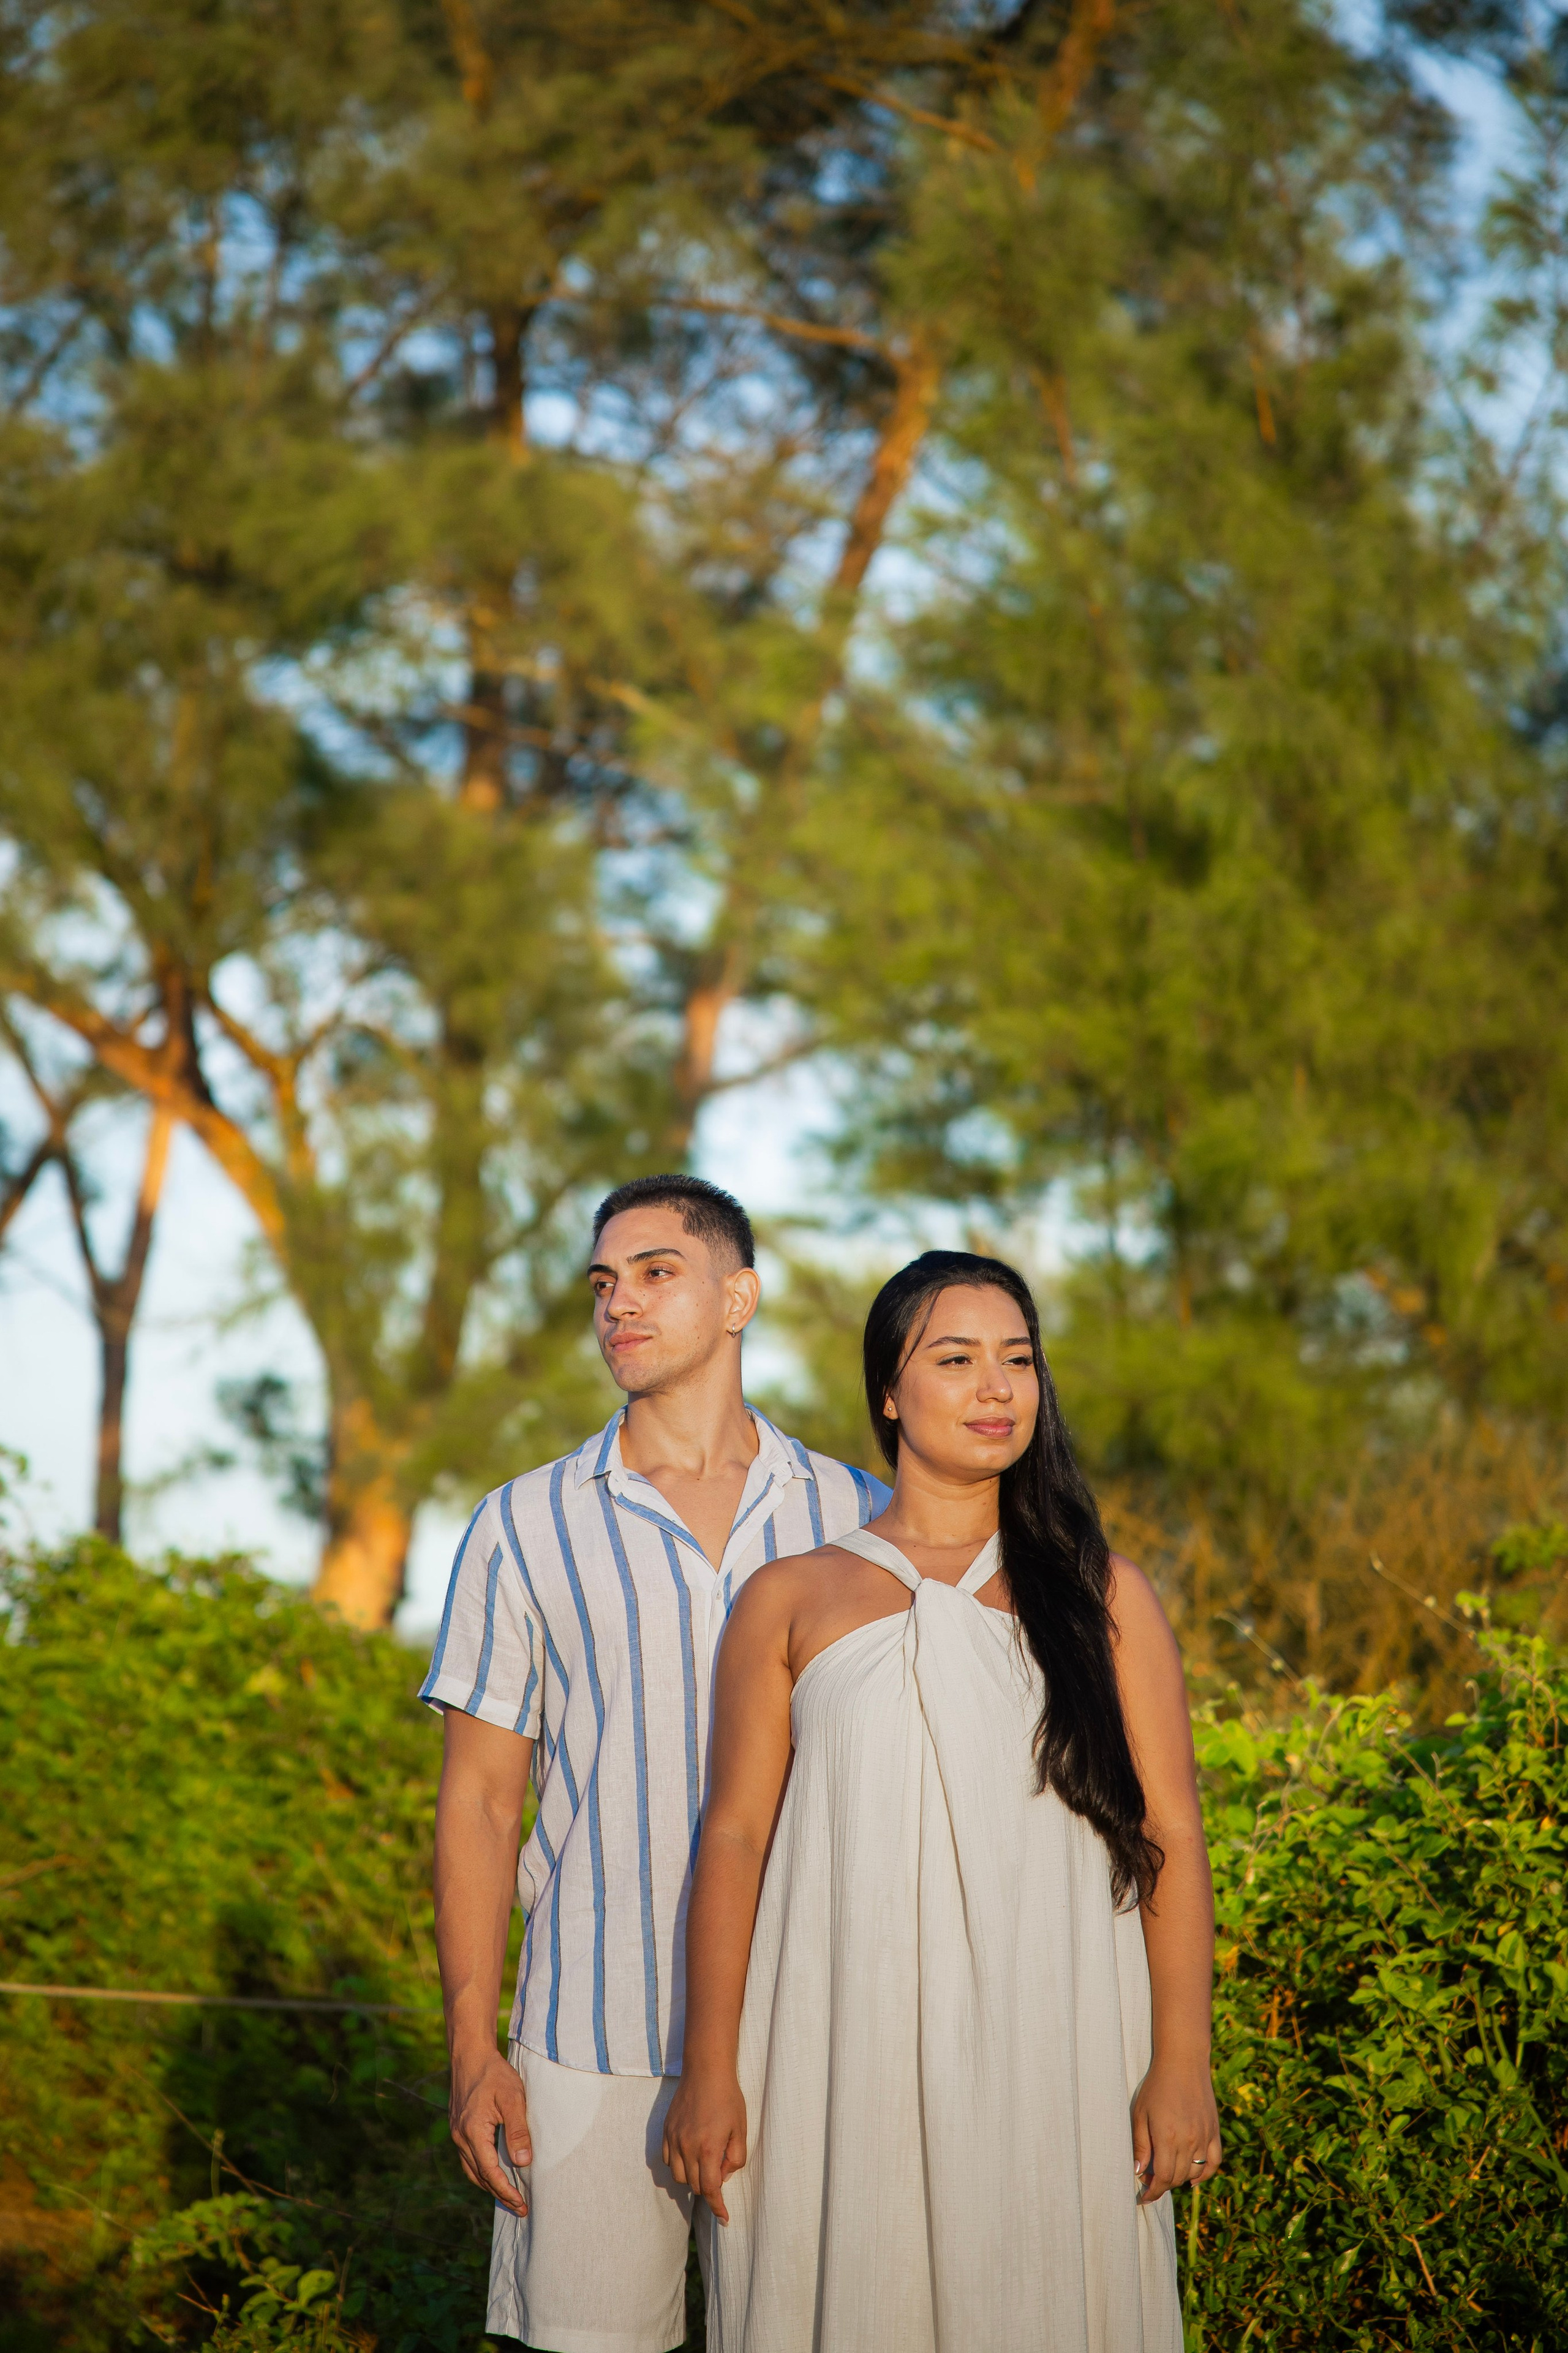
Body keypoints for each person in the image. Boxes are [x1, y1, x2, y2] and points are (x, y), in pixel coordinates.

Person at [664, 1249, 1220, 2353]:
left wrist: (1181, 2058)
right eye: (957, 1358)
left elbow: (1171, 1832)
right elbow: (732, 1838)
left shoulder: (1103, 1593)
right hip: (836, 2051)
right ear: (888, 1389)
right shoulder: (792, 1597)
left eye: (1017, 1360)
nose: (996, 1387)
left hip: (1056, 2045)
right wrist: (710, 2069)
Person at [421, 1174, 888, 2353]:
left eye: (656, 1273)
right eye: (603, 1282)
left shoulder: (861, 1512)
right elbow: (478, 1804)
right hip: (590, 2030)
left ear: (740, 1296)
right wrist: (476, 2050)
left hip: (815, 2030)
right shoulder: (521, 1523)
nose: (618, 1303)